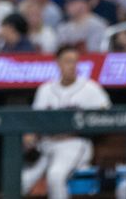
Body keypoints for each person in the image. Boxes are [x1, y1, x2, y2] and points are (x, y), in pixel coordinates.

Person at [22, 46, 111, 199]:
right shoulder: (45, 89)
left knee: (55, 176)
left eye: (75, 62)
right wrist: (31, 135)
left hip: (74, 144)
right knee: (22, 181)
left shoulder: (91, 88)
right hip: (46, 144)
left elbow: (107, 118)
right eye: (68, 61)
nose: (72, 66)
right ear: (58, 63)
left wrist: (75, 131)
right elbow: (35, 120)